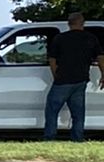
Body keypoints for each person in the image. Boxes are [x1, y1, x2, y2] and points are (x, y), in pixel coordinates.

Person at [44, 12, 104, 141]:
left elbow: (52, 59)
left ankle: (50, 137)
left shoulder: (60, 38)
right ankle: (77, 138)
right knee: (78, 113)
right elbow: (100, 57)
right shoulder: (90, 38)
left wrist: (56, 75)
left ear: (69, 24)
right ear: (83, 23)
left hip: (63, 80)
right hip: (81, 80)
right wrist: (103, 74)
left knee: (52, 110)